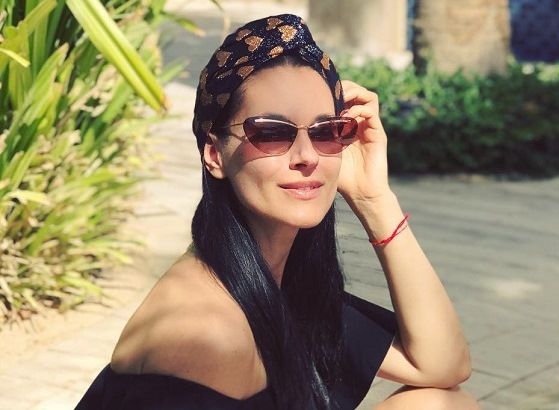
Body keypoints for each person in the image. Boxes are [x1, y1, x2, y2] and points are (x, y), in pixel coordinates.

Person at [75, 13, 480, 410]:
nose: (307, 156)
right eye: (271, 132)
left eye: (326, 132)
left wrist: (374, 200)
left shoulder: (274, 281)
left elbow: (442, 364)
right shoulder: (206, 334)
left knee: (441, 404)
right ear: (214, 154)